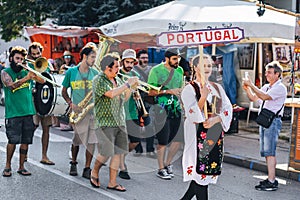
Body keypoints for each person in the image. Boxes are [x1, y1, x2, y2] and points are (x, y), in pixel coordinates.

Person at [180, 54, 232, 199]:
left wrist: (217, 119)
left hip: (214, 134)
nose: (207, 68)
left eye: (209, 65)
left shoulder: (217, 87)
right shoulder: (189, 89)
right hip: (197, 135)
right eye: (203, 65)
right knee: (200, 172)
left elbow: (227, 108)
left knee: (205, 172)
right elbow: (191, 114)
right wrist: (202, 97)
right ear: (195, 67)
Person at [91, 54, 138, 191]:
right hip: (105, 121)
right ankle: (94, 171)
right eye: (117, 66)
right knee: (106, 153)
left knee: (118, 152)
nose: (119, 69)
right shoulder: (98, 80)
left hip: (119, 121)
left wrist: (130, 88)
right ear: (108, 67)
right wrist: (127, 84)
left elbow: (123, 98)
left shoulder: (117, 79)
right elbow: (111, 94)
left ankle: (112, 182)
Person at [243, 61, 287, 191]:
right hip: (265, 120)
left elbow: (264, 97)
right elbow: (254, 98)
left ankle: (272, 181)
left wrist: (251, 84)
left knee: (270, 152)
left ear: (277, 74)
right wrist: (247, 89)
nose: (266, 74)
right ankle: (270, 178)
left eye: (269, 72)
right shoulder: (267, 86)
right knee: (267, 152)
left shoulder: (280, 88)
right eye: (266, 71)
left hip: (273, 121)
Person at [1, 46, 45, 177]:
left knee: (26, 141)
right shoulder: (5, 72)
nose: (19, 61)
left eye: (22, 58)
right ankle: (7, 166)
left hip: (28, 111)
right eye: (17, 58)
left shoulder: (27, 71)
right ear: (11, 59)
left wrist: (33, 71)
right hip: (13, 113)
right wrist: (27, 78)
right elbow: (11, 85)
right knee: (12, 141)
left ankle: (21, 166)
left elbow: (42, 80)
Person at [61, 42, 99, 179]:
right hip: (78, 112)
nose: (94, 60)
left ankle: (87, 168)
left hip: (92, 112)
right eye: (92, 57)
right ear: (84, 56)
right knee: (77, 140)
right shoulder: (71, 72)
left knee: (92, 141)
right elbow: (64, 91)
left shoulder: (96, 73)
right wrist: (70, 103)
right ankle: (73, 162)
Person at [147, 47, 184, 180]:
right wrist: (167, 92)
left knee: (178, 140)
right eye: (174, 58)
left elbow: (180, 89)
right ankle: (160, 168)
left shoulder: (179, 70)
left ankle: (168, 164)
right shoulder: (156, 70)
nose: (177, 61)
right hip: (161, 110)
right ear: (167, 58)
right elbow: (150, 92)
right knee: (163, 141)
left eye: (178, 58)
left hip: (176, 108)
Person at [27, 42, 55, 165]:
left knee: (46, 128)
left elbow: (50, 78)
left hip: (45, 98)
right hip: (33, 98)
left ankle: (44, 155)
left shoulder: (46, 64)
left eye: (38, 53)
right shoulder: (27, 65)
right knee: (32, 126)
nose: (36, 56)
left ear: (41, 52)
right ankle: (25, 153)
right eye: (33, 55)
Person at [133, 49, 156, 158]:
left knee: (150, 126)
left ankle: (150, 149)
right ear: (138, 59)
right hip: (136, 100)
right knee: (136, 126)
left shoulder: (151, 70)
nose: (145, 60)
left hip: (148, 101)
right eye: (142, 58)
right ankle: (138, 149)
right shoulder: (133, 70)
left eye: (146, 58)